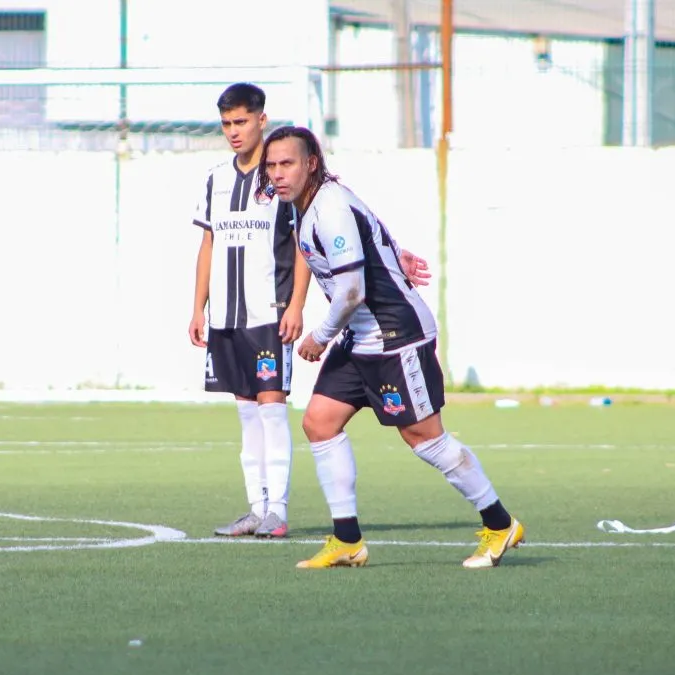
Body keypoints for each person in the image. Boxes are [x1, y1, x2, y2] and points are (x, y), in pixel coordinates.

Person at [256, 125, 524, 569]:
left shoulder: (330, 207)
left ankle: (500, 524)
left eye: (288, 163)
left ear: (311, 164)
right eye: (272, 165)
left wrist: (318, 338)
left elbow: (352, 292)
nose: (278, 173)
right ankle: (348, 541)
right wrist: (394, 255)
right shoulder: (306, 205)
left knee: (426, 440)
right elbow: (373, 233)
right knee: (320, 422)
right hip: (360, 337)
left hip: (394, 335)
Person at [188, 84, 434, 539]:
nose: (233, 132)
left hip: (270, 310)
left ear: (261, 119)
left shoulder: (284, 181)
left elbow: (307, 243)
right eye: (226, 124)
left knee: (272, 410)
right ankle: (255, 508)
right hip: (227, 314)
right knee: (245, 415)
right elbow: (208, 243)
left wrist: (296, 304)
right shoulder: (215, 178)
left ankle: (276, 511)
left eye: (240, 122)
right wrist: (198, 307)